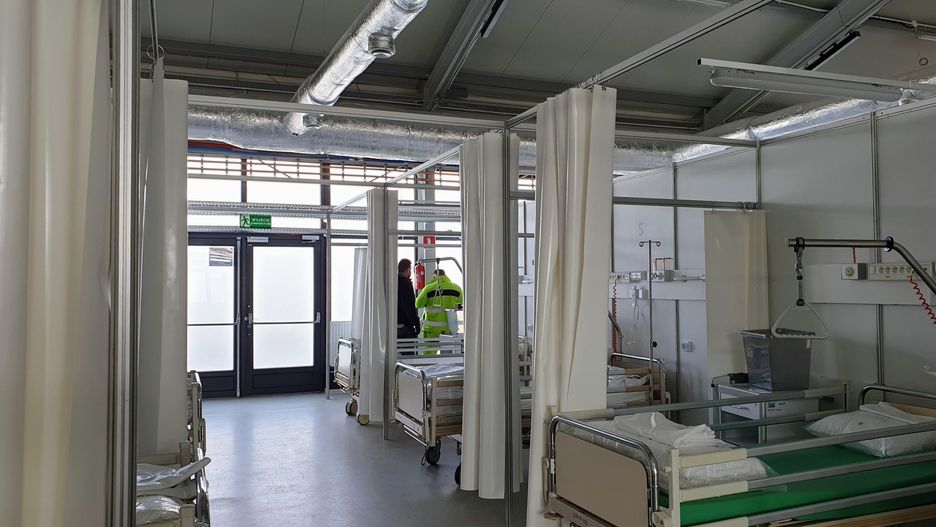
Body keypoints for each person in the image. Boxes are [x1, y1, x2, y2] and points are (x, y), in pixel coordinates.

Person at [415, 268, 463, 340]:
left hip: (431, 330)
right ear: (445, 275)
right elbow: (461, 304)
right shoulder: (457, 288)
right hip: (449, 330)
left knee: (430, 347)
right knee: (448, 347)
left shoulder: (428, 288)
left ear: (434, 277)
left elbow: (418, 304)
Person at [397, 259, 420, 340]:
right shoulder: (407, 284)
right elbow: (410, 306)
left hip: (394, 325)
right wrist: (416, 324)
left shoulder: (393, 282)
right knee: (408, 347)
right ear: (408, 269)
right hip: (406, 326)